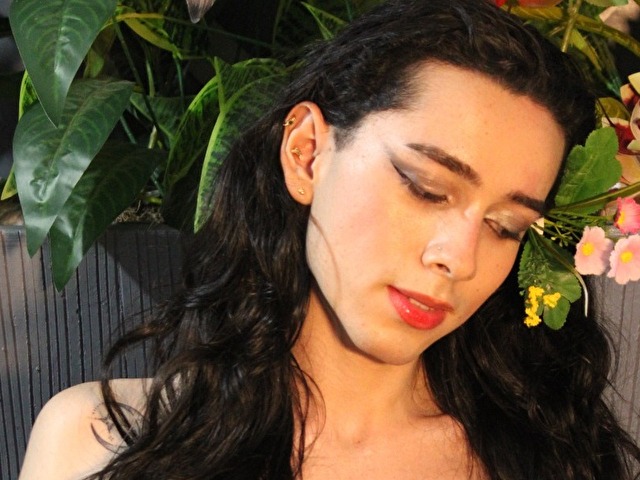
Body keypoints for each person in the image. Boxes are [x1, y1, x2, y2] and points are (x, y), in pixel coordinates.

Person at [18, 0, 640, 478]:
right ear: (307, 152)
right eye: (426, 188)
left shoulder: (543, 457)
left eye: (505, 227)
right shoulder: (97, 440)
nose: (458, 257)